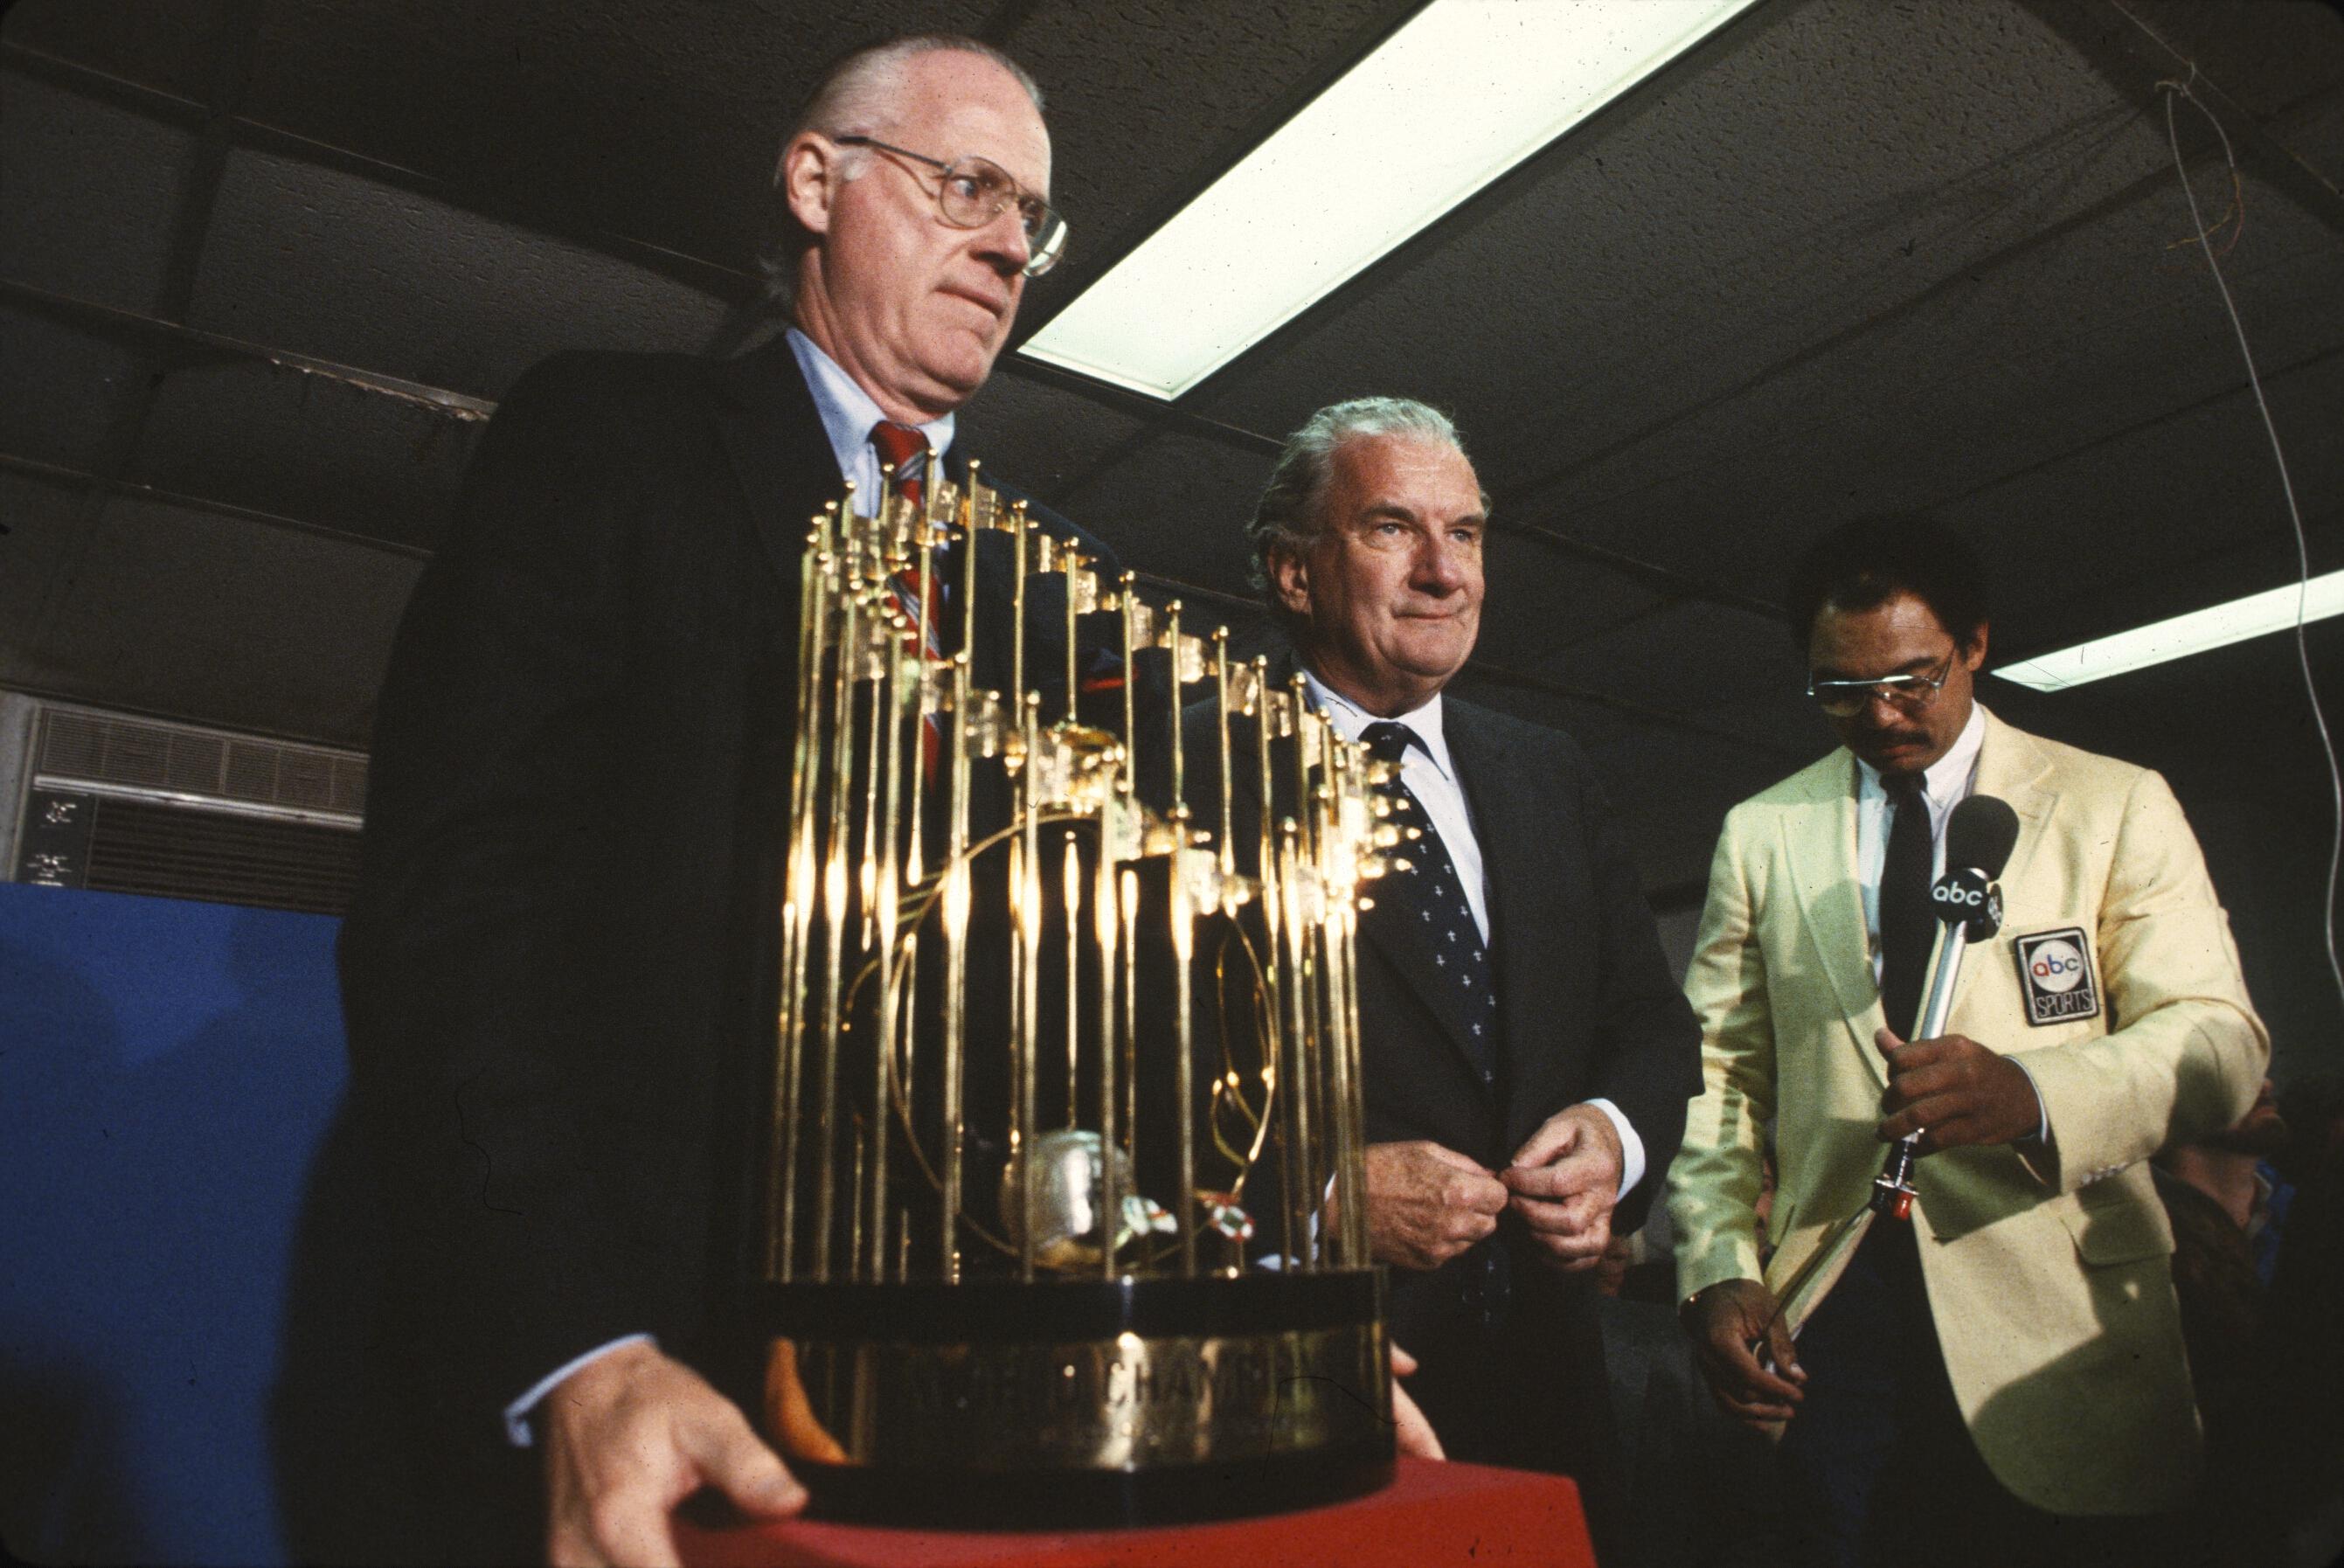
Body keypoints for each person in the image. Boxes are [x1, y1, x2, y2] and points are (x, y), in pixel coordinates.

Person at [337, 36, 1118, 1565]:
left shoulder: (1062, 580)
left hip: (984, 1405)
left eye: (1035, 214)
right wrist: (574, 1345)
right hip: (664, 1374)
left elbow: (1085, 995)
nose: (1013, 242)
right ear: (818, 182)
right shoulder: (607, 444)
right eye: (966, 185)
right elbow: (458, 905)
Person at [1666, 515, 2269, 1566]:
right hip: (1836, 1326)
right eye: (1840, 691)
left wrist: (2037, 1095)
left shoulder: (2112, 804)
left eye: (1913, 680)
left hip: (2065, 1319)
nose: (1883, 715)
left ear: (1977, 646)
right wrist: (1718, 1262)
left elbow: (2221, 1043)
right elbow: (1718, 1075)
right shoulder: (1762, 832)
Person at [1195, 397, 1701, 1554]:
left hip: (1552, 1388)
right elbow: (1103, 1081)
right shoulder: (1183, 770)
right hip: (1309, 1380)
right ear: (1291, 574)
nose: (1441, 571)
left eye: (1465, 533)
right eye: (1391, 529)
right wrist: (1318, 1199)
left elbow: (1648, 1021)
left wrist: (1612, 1137)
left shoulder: (1548, 773)